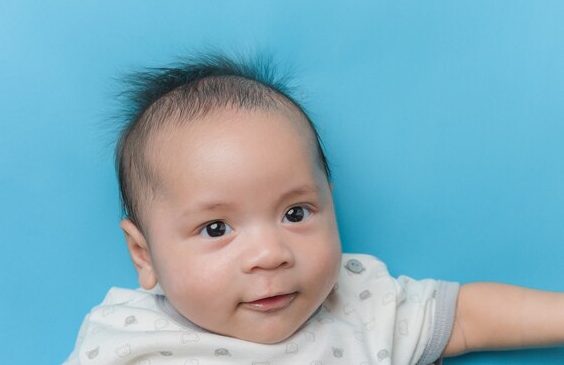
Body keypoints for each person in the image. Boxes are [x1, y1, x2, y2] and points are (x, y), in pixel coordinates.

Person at [65, 53, 564, 364]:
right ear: (144, 254)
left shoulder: (356, 303)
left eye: (296, 214)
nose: (269, 254)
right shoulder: (129, 341)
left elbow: (464, 319)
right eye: (216, 228)